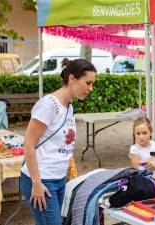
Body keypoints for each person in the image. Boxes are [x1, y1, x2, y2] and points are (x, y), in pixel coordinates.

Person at [20, 59, 96, 225]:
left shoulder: (69, 106)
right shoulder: (48, 105)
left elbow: (63, 144)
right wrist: (37, 183)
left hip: (58, 179)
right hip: (42, 180)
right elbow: (28, 144)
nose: (91, 88)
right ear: (72, 79)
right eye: (88, 83)